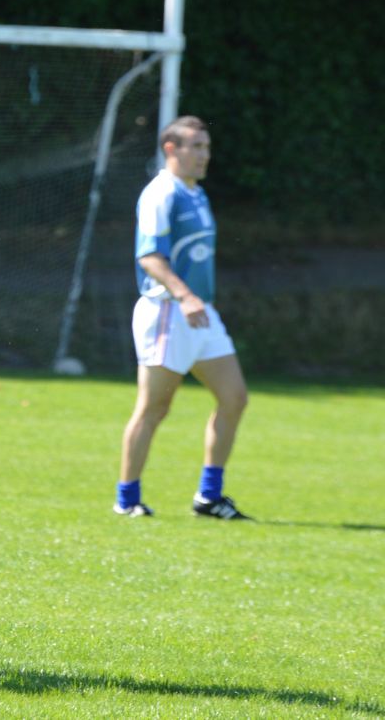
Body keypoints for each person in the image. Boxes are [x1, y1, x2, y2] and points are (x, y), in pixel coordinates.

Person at [115, 115, 252, 520]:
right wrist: (186, 295)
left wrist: (197, 300)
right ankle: (127, 500)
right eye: (196, 147)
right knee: (154, 408)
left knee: (235, 398)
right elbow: (149, 257)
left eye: (206, 148)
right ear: (171, 149)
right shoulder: (162, 194)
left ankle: (209, 497)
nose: (204, 156)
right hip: (168, 311)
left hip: (199, 312)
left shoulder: (197, 194)